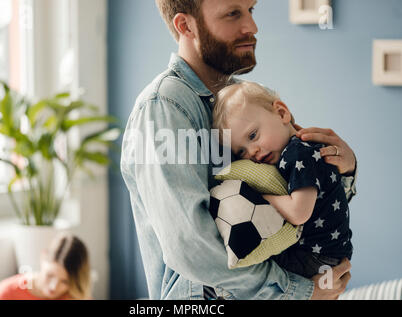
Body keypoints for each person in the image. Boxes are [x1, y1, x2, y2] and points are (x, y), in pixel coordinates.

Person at [121, 0, 357, 300]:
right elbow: (191, 248)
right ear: (185, 26)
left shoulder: (240, 101)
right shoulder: (165, 108)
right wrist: (298, 292)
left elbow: (304, 203)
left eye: (251, 10)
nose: (252, 27)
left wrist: (344, 168)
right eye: (233, 13)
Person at [213, 81, 353, 278]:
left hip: (318, 257)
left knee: (256, 274)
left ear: (281, 113)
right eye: (241, 151)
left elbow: (298, 213)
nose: (252, 151)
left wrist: (263, 198)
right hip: (327, 253)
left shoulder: (297, 155)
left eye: (253, 135)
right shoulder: (299, 150)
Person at [0, 233, 91, 300]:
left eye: (65, 281)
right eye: (50, 275)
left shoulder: (74, 295)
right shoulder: (7, 293)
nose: (53, 286)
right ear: (43, 257)